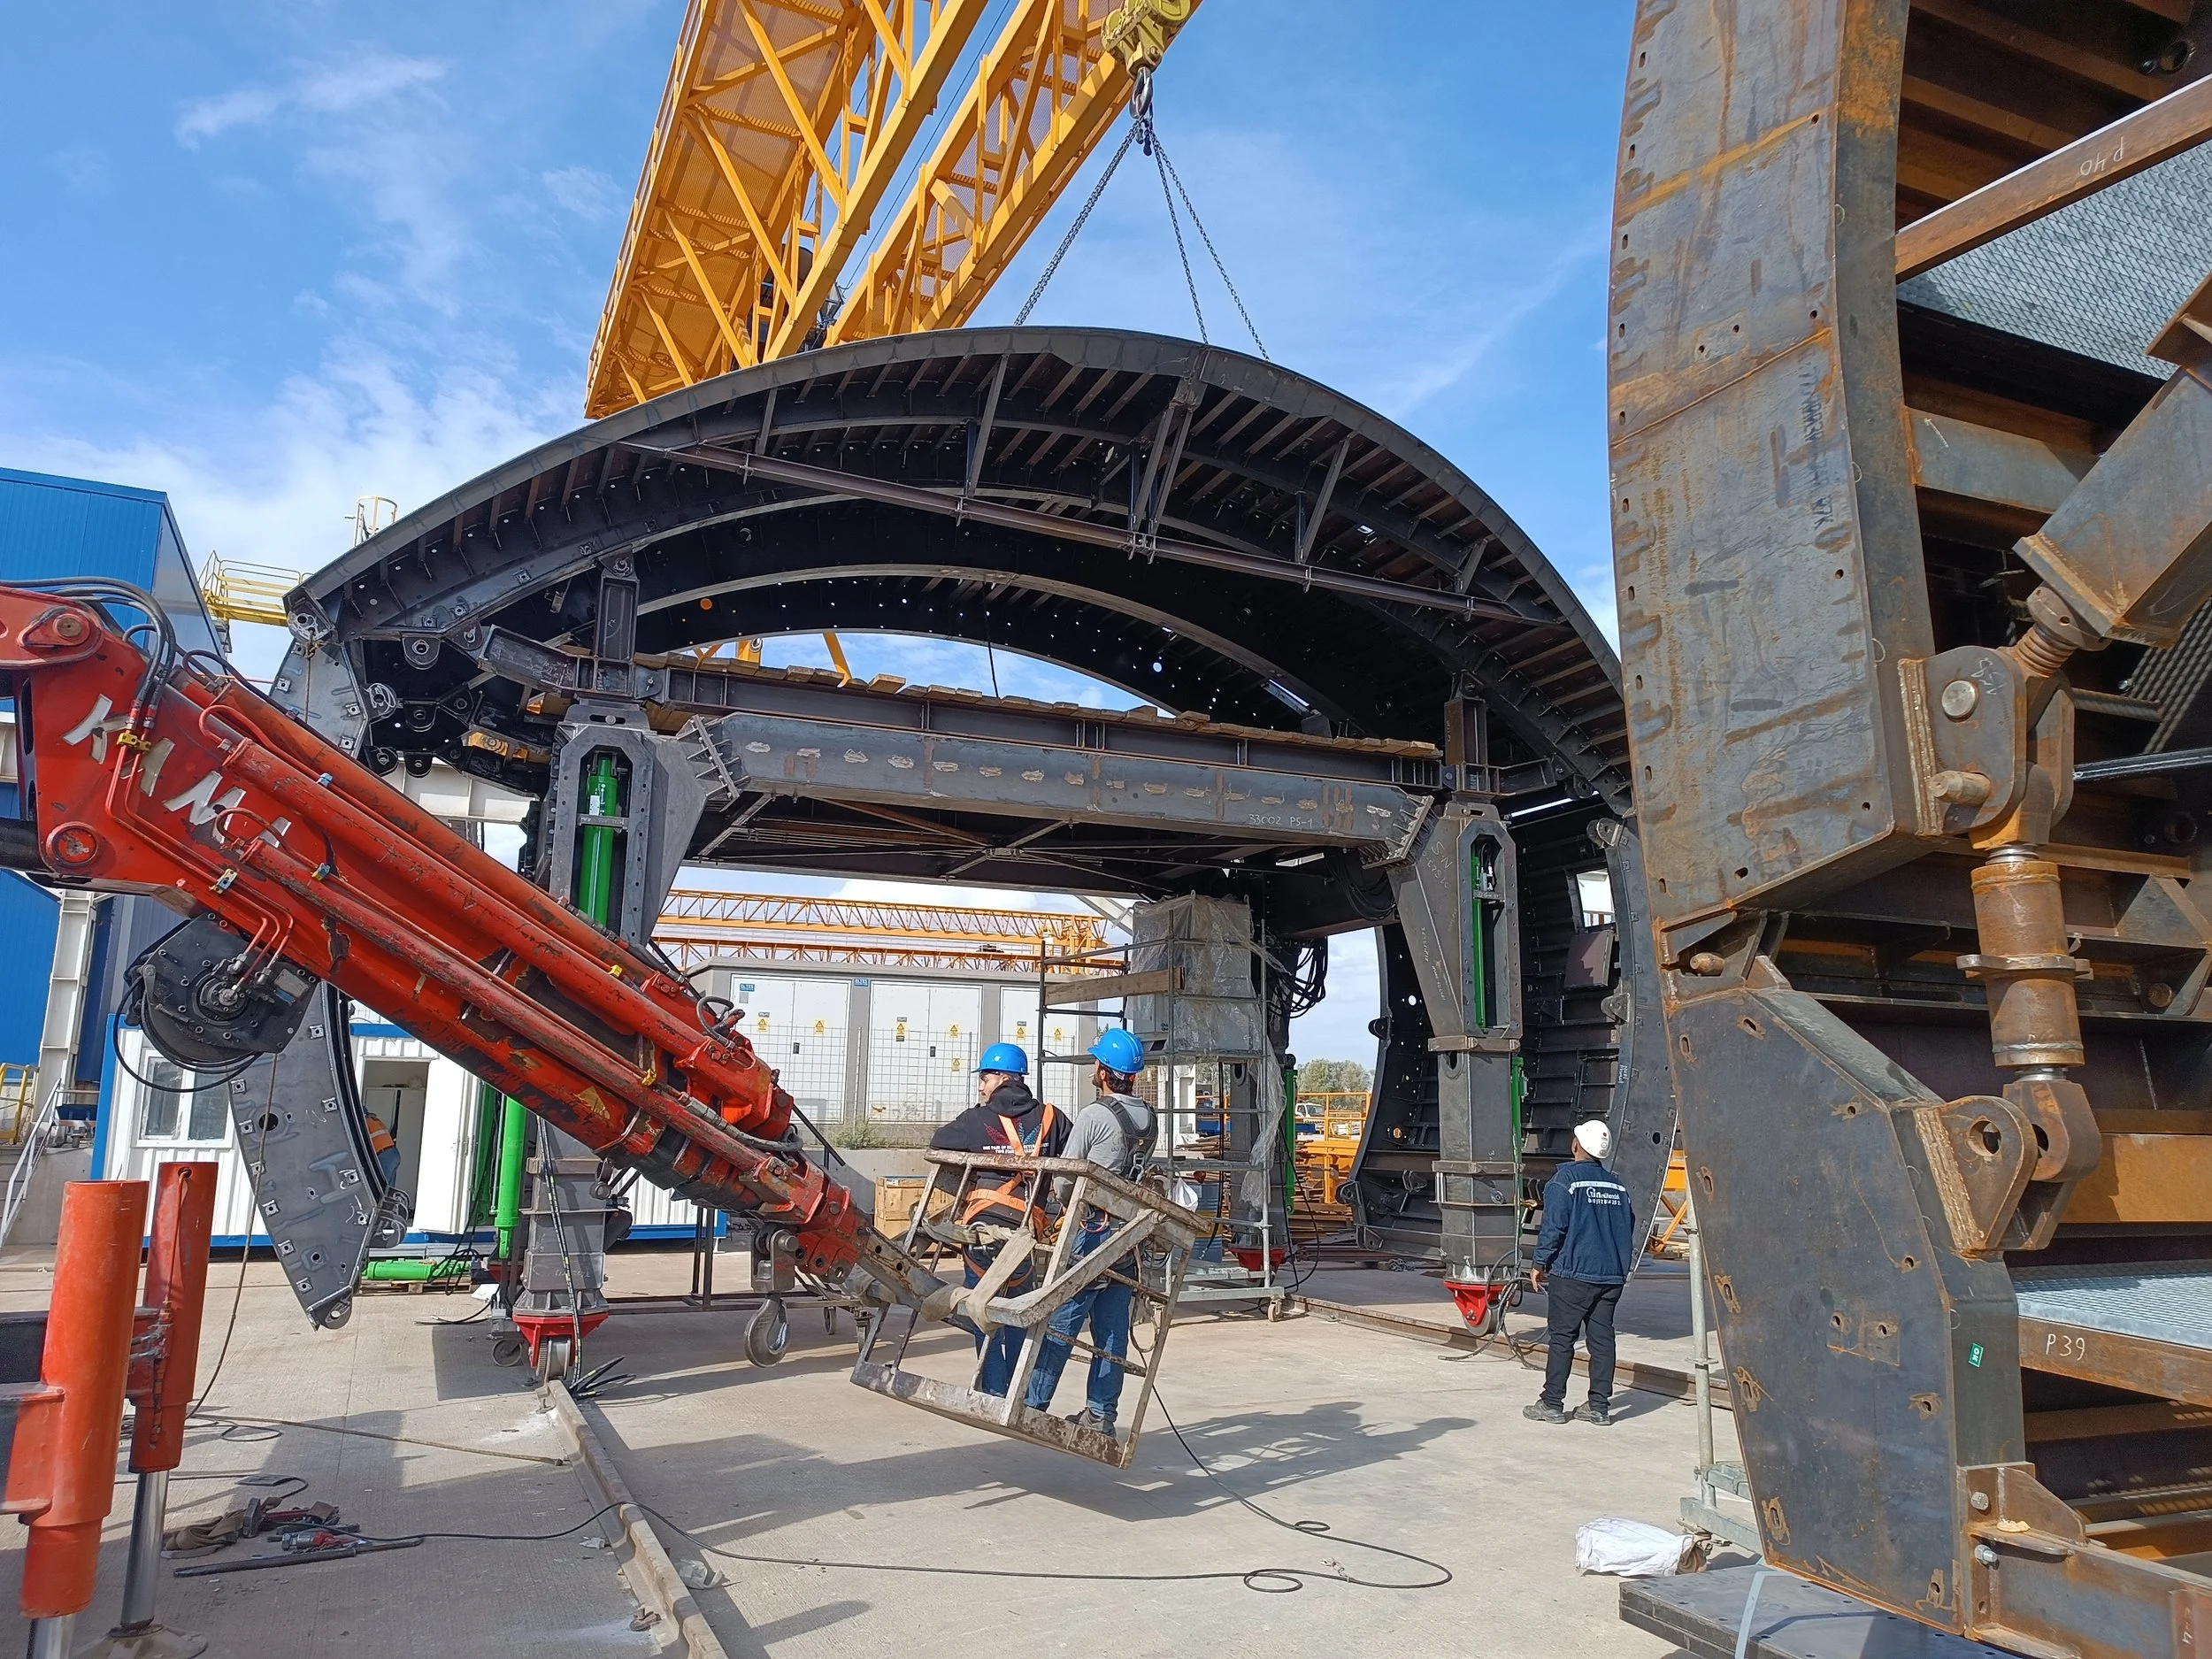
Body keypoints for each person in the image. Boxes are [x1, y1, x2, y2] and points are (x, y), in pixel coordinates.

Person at [1023, 1028, 1155, 1435]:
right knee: (1112, 1328)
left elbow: (1066, 1176)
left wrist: (1064, 1206)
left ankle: (1032, 1404)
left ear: (1104, 1070)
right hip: (1128, 1236)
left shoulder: (1095, 1115)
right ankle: (1101, 1416)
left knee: (1063, 1317)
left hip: (1093, 1229)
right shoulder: (1148, 1118)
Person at [928, 1042, 1066, 1396]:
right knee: (1018, 1308)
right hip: (1025, 1231)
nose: (980, 1086)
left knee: (982, 1311)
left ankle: (992, 1392)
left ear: (1003, 1077)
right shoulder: (1052, 1118)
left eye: (985, 1077)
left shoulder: (977, 1119)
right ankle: (1018, 1391)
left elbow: (938, 1143)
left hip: (983, 1231)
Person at [1523, 1118, 1635, 1427]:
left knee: (1562, 1338)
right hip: (1611, 1277)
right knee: (1602, 1339)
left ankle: (1552, 1403)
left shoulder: (1564, 1182)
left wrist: (1539, 1263)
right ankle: (1598, 1408)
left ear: (1576, 1145)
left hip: (1573, 1274)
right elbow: (1630, 1227)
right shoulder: (1618, 1185)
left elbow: (1554, 1228)